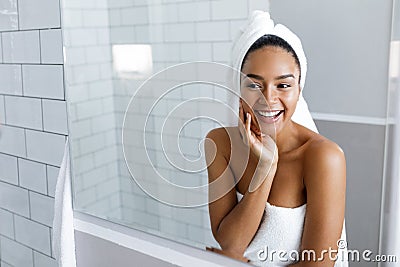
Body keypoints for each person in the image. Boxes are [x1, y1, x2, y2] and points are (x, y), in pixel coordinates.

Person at [204, 11, 348, 266]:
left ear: (299, 90)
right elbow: (231, 244)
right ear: (238, 88)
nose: (268, 99)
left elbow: (318, 265)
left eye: (283, 85)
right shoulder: (219, 143)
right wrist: (266, 169)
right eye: (254, 85)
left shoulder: (323, 157)